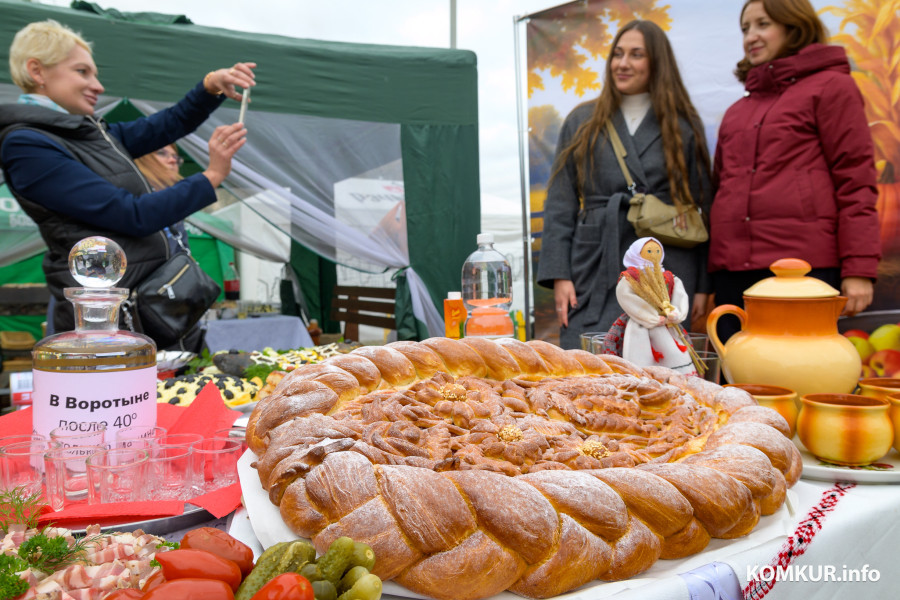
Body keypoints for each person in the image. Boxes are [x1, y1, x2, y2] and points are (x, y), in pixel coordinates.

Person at [0, 20, 255, 346]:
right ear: (37, 71)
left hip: (157, 308)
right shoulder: (28, 146)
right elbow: (132, 215)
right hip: (112, 324)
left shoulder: (90, 133)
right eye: (82, 72)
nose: (98, 85)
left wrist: (209, 88)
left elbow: (166, 125)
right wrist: (212, 176)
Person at [709, 0, 880, 342]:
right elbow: (720, 191)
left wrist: (859, 269)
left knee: (801, 384)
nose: (751, 37)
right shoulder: (735, 112)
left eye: (762, 24)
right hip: (733, 276)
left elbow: (856, 181)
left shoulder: (832, 87)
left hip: (801, 274)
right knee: (735, 387)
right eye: (745, 28)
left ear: (793, 26)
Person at [536, 20, 712, 350]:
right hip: (596, 259)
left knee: (660, 367)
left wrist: (702, 284)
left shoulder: (682, 123)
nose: (622, 63)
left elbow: (704, 206)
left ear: (657, 62)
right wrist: (561, 276)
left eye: (636, 54)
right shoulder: (581, 120)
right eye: (617, 54)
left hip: (666, 262)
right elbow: (560, 204)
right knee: (588, 362)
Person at [615, 237, 694, 374]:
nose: (653, 255)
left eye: (657, 251)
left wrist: (675, 313)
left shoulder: (668, 277)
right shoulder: (630, 278)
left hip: (667, 322)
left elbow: (680, 294)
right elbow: (626, 297)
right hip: (640, 323)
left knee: (673, 351)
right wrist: (651, 317)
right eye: (649, 251)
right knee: (639, 354)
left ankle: (677, 377)